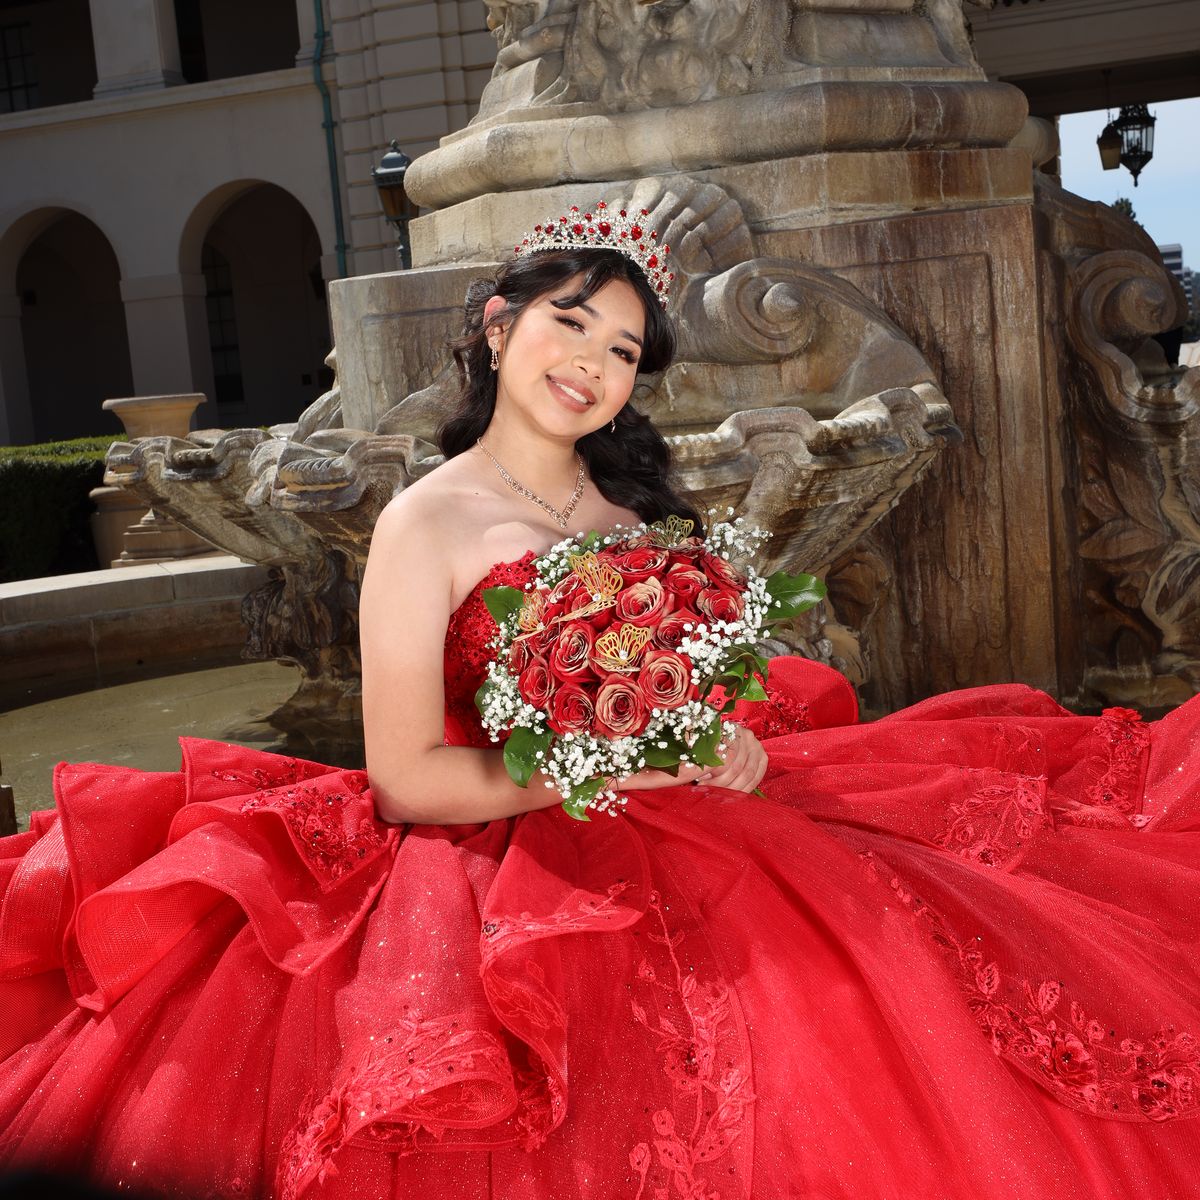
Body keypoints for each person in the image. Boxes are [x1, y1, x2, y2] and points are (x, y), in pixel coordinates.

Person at [1, 202, 1198, 1200]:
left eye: (623, 350)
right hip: (513, 858)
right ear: (498, 326)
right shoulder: (427, 518)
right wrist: (589, 767)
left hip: (702, 821)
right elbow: (406, 777)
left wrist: (723, 739)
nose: (594, 364)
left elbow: (698, 683)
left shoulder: (629, 507)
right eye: (573, 325)